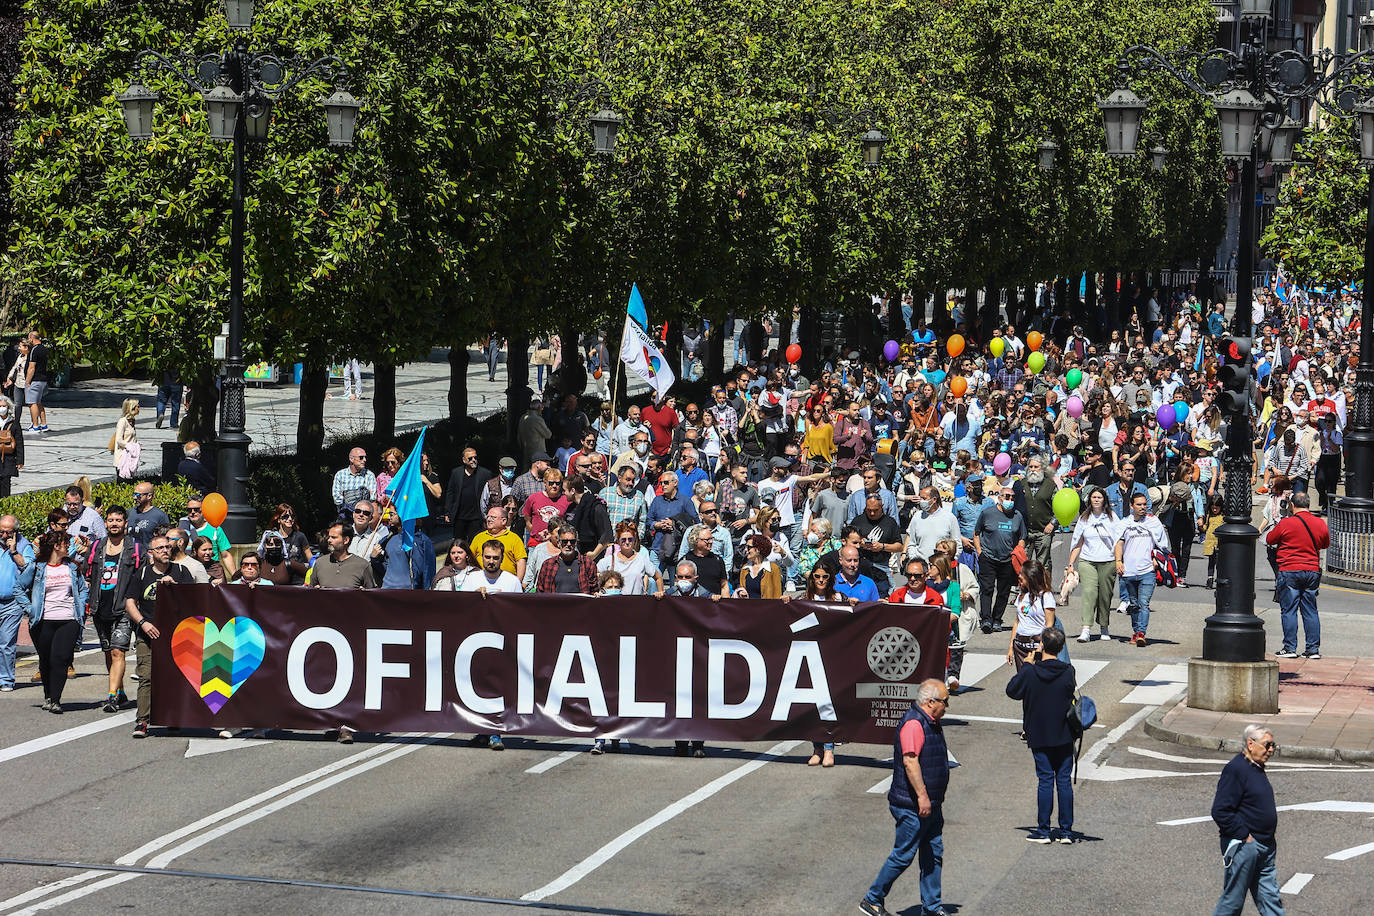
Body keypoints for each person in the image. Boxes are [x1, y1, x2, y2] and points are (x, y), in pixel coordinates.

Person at [859, 679, 952, 916]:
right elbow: (910, 763)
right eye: (945, 701)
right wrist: (922, 796)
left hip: (931, 804)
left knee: (933, 852)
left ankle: (931, 907)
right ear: (931, 702)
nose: (947, 706)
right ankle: (872, 899)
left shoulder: (931, 722)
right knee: (903, 854)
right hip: (912, 805)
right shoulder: (914, 724)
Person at [1004, 625, 1076, 844]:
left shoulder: (1031, 671)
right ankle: (1066, 831)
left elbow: (1012, 691)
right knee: (1063, 781)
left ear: (1042, 645)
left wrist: (1027, 664)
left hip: (1039, 732)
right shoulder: (1068, 671)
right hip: (1064, 732)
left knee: (1045, 779)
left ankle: (1043, 830)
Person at [126, 532, 195, 737]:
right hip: (148, 634)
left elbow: (194, 601)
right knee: (146, 677)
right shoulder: (142, 573)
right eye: (160, 548)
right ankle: (142, 721)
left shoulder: (182, 572)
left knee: (174, 677)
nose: (166, 551)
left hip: (177, 635)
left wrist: (176, 588)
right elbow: (130, 603)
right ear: (151, 553)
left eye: (167, 547)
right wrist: (143, 623)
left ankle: (172, 716)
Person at [1210, 725, 1283, 916]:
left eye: (1273, 745)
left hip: (1266, 846)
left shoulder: (1256, 768)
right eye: (1267, 745)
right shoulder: (1236, 769)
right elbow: (1220, 810)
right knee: (1232, 902)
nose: (1271, 750)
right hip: (1246, 847)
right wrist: (1244, 836)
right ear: (1250, 744)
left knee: (1270, 899)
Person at [22, 530, 88, 713]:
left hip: (68, 619)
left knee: (60, 659)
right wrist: (30, 609)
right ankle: (48, 695)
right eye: (66, 543)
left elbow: (83, 590)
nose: (70, 546)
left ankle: (56, 700)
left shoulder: (72, 567)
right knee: (46, 660)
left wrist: (80, 609)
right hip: (43, 621)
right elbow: (19, 587)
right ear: (56, 546)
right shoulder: (37, 567)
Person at [86, 505, 143, 713]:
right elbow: (88, 573)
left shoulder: (134, 548)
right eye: (111, 520)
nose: (114, 524)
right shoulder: (97, 547)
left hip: (124, 608)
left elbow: (141, 577)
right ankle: (119, 690)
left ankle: (111, 697)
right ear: (106, 523)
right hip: (100, 607)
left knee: (118, 651)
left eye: (118, 520)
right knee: (109, 653)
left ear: (125, 524)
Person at [1265, 491, 1329, 659]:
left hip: (1290, 569)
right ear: (1308, 504)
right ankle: (1312, 649)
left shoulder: (1287, 523)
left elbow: (1270, 539)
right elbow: (1325, 543)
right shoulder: (1319, 523)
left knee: (1289, 610)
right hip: (1311, 570)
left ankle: (1290, 647)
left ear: (1292, 505)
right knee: (1310, 610)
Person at [1114, 491, 1169, 647]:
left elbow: (1162, 545)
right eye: (1139, 504)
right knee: (1134, 604)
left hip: (1147, 572)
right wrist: (1118, 561)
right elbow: (1118, 542)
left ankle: (1141, 633)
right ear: (1132, 506)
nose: (1142, 507)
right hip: (1129, 571)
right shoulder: (1125, 523)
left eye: (1145, 504)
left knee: (1143, 603)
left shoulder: (1153, 522)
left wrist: (1156, 560)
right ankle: (1135, 631)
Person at [973, 485, 1027, 633]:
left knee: (1003, 592)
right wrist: (979, 552)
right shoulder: (987, 513)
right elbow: (976, 533)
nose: (1010, 500)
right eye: (1007, 496)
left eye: (1012, 497)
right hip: (988, 558)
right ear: (999, 498)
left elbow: (1022, 537)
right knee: (987, 589)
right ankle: (986, 619)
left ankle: (997, 619)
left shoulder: (1017, 516)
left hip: (1007, 560)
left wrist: (1018, 551)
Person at [1066, 488, 1117, 643]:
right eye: (1094, 497)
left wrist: (1120, 560)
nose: (1096, 500)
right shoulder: (1084, 518)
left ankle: (1104, 626)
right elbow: (1078, 541)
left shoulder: (1112, 517)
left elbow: (1119, 540)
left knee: (1105, 595)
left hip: (1108, 561)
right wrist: (1070, 563)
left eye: (1099, 497)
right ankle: (1086, 629)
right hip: (1087, 561)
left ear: (1104, 500)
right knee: (1089, 592)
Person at [0, 514, 34, 691]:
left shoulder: (23, 545)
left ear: (16, 532)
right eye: (1, 532)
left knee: (7, 642)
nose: (4, 536)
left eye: (8, 533)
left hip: (12, 602)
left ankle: (6, 680)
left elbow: (28, 568)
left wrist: (14, 551)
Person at [1006, 560, 1055, 671]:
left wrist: (1040, 647)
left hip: (1037, 646)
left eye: (1021, 578)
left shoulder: (1046, 596)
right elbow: (1017, 622)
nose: (1019, 580)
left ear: (1031, 578)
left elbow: (1049, 625)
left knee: (1039, 682)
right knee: (1024, 682)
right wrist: (1010, 648)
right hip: (1019, 646)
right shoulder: (1022, 595)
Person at [597, 522, 664, 596]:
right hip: (615, 604)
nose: (627, 542)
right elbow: (593, 575)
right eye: (623, 540)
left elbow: (658, 577)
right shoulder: (608, 560)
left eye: (630, 539)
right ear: (618, 541)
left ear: (634, 540)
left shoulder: (641, 560)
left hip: (636, 604)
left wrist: (660, 592)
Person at [180, 494, 236, 578]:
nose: (192, 512)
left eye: (196, 509)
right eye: (189, 510)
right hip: (191, 571)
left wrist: (235, 577)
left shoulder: (215, 528)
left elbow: (226, 555)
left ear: (204, 510)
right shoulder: (183, 529)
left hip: (212, 571)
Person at [446, 447, 493, 545]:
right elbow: (450, 492)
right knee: (459, 543)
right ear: (464, 460)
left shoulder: (485, 474)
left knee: (475, 543)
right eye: (470, 458)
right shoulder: (456, 473)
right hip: (459, 516)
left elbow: (490, 495)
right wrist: (448, 512)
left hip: (476, 517)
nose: (473, 460)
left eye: (475, 458)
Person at [310, 523, 377, 590]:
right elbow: (310, 592)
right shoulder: (320, 563)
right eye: (329, 537)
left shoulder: (363, 565)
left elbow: (371, 596)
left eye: (333, 537)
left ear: (346, 540)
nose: (329, 540)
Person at [470, 507, 528, 581]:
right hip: (481, 583)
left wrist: (518, 583)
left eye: (493, 517)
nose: (489, 519)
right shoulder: (479, 537)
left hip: (507, 585)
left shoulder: (514, 538)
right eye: (488, 517)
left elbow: (521, 561)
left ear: (503, 521)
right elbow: (470, 559)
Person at [535, 528, 600, 594]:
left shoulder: (588, 564)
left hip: (580, 604)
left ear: (576, 543)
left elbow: (594, 591)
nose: (568, 544)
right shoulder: (548, 565)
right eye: (564, 542)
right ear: (558, 543)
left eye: (572, 541)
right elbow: (540, 592)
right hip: (554, 603)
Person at [332, 448, 376, 521]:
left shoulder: (369, 475)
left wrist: (347, 496)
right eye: (361, 457)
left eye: (365, 457)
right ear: (351, 459)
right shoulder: (340, 475)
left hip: (363, 518)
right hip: (345, 517)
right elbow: (337, 498)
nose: (364, 460)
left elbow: (372, 498)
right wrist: (363, 495)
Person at [735, 534, 783, 599]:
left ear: (758, 549)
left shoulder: (773, 568)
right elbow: (742, 587)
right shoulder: (745, 568)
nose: (746, 550)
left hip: (766, 608)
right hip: (747, 608)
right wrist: (741, 592)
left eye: (749, 547)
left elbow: (777, 594)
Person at [24, 330, 49, 432]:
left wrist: (27, 381)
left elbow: (31, 367)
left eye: (29, 338)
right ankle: (44, 424)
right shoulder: (44, 349)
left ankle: (35, 425)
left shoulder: (34, 350)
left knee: (32, 403)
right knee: (38, 402)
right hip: (43, 379)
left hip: (35, 379)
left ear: (32, 338)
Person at [0, 396, 23, 498]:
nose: (2, 408)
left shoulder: (14, 423)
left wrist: (20, 460)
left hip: (9, 457)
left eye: (4, 406)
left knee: (5, 481)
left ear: (8, 407)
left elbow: (19, 442)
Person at [112, 398, 141, 480]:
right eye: (137, 406)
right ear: (131, 408)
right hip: (122, 458)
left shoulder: (132, 421)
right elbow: (119, 440)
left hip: (130, 457)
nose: (139, 408)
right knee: (122, 481)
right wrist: (130, 446)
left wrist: (137, 445)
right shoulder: (122, 421)